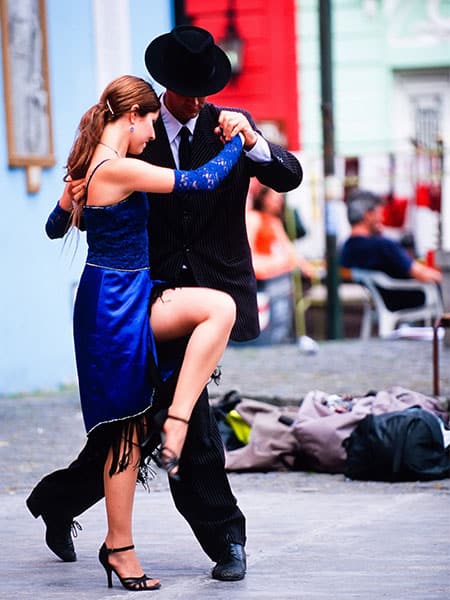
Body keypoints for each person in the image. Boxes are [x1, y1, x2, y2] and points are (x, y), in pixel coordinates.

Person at [26, 25, 303, 582]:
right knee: (156, 425)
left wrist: (248, 140)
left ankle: (66, 504)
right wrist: (71, 200)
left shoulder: (229, 125)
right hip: (136, 300)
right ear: (160, 91)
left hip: (187, 296)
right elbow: (192, 184)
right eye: (184, 91)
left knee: (141, 424)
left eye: (203, 90)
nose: (195, 101)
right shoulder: (136, 136)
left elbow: (288, 175)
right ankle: (223, 537)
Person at [39, 73, 246, 591]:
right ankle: (120, 549)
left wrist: (68, 202)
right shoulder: (120, 167)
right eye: (151, 120)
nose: (154, 133)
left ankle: (175, 421)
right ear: (132, 116)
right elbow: (199, 181)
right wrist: (240, 140)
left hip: (133, 293)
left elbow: (52, 227)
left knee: (219, 308)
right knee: (125, 436)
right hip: (112, 305)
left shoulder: (97, 167)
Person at [340, 189, 441, 310]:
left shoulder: (346, 248)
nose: (382, 219)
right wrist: (443, 278)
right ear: (368, 215)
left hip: (379, 303)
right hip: (408, 299)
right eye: (379, 213)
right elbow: (422, 274)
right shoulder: (383, 246)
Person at [246, 185, 315, 280]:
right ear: (263, 198)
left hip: (273, 267)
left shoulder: (274, 222)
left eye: (280, 198)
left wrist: (305, 265)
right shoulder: (254, 218)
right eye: (274, 198)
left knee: (289, 261)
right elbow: (249, 253)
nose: (278, 201)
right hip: (259, 265)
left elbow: (289, 249)